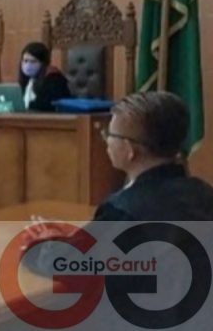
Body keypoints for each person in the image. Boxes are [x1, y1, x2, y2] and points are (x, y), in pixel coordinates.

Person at [20, 92, 213, 327]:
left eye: (110, 135)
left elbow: (71, 266)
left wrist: (40, 243)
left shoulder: (125, 212)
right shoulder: (204, 193)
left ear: (130, 150)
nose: (106, 141)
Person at [18, 41, 71, 111]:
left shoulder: (54, 79)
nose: (28, 65)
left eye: (33, 61)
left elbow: (46, 106)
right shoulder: (28, 79)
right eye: (25, 61)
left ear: (43, 63)